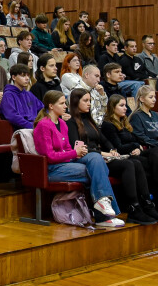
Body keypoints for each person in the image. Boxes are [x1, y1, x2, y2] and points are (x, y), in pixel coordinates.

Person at [67, 88, 158, 224]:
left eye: (90, 100)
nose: (89, 103)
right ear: (76, 102)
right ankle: (134, 208)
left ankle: (146, 204)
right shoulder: (71, 122)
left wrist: (112, 150)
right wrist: (104, 153)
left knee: (136, 163)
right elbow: (79, 147)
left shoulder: (89, 120)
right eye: (86, 101)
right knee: (128, 164)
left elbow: (104, 140)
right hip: (89, 160)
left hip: (103, 157)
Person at [34, 91, 125, 228]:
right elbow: (50, 156)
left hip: (67, 164)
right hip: (52, 169)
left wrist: (77, 153)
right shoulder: (43, 125)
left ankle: (102, 206)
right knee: (98, 170)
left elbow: (67, 148)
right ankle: (103, 216)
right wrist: (73, 153)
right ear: (51, 106)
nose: (65, 106)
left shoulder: (62, 124)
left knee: (95, 158)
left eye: (65, 103)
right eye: (62, 103)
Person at [0, 64, 42, 130]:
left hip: (35, 127)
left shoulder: (29, 94)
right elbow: (12, 116)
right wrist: (31, 126)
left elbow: (42, 109)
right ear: (14, 77)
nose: (27, 78)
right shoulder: (8, 95)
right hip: (21, 129)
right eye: (23, 75)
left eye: (28, 75)